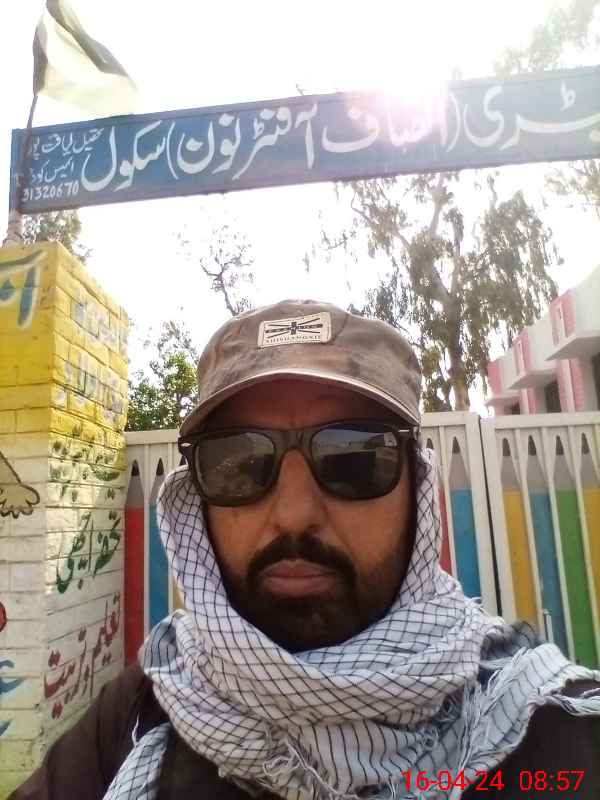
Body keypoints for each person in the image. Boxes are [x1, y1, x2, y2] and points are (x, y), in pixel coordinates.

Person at [12, 299, 600, 800]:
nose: (294, 514)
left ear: (416, 494)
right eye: (241, 461)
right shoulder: (143, 708)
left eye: (353, 457)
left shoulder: (549, 731)